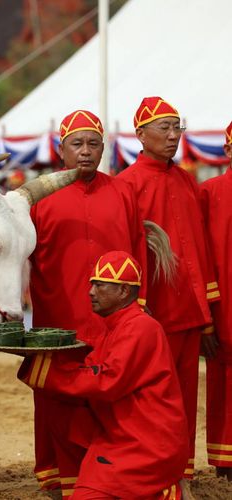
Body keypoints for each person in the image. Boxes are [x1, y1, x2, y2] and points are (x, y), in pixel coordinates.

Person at [27, 110, 148, 497]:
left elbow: (138, 253)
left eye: (93, 144)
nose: (85, 152)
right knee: (58, 399)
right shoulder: (37, 198)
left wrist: (138, 307)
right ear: (60, 149)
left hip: (115, 323)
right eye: (76, 144)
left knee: (114, 399)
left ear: (103, 148)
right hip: (58, 319)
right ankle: (59, 479)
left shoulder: (123, 192)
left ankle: (109, 475)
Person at [20, 250, 188, 499]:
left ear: (124, 291)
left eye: (99, 285)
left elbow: (105, 381)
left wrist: (44, 370)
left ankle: (164, 489)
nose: (90, 292)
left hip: (143, 445)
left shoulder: (141, 328)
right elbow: (92, 371)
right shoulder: (116, 328)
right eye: (91, 284)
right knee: (58, 407)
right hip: (121, 436)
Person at [117, 97, 219, 479]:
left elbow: (202, 249)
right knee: (149, 399)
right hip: (151, 311)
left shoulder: (187, 181)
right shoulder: (126, 184)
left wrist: (206, 314)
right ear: (140, 135)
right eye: (165, 128)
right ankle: (150, 474)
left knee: (185, 400)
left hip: (189, 313)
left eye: (178, 128)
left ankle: (182, 475)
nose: (174, 136)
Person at [200, 122, 232, 480]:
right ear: (228, 151)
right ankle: (226, 463)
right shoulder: (208, 192)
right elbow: (199, 253)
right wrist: (206, 315)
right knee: (224, 381)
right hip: (225, 308)